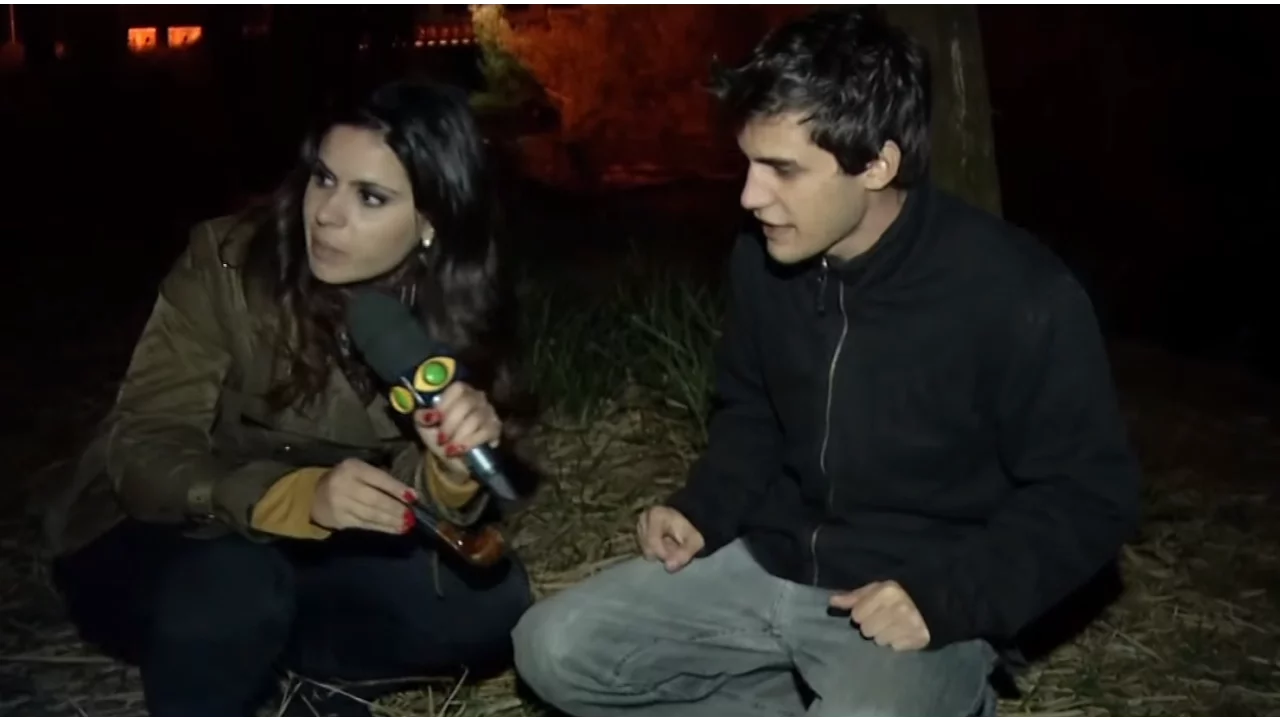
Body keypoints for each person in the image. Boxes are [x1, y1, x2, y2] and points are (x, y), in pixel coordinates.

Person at [511, 5, 1141, 717]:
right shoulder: (763, 259)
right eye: (749, 163)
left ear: (877, 164)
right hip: (770, 562)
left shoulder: (1017, 293)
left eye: (782, 169)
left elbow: (1091, 495)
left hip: (911, 596)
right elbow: (751, 411)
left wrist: (947, 597)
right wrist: (705, 508)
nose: (750, 197)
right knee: (552, 648)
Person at [40, 79, 536, 717]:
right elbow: (144, 449)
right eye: (323, 179)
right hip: (166, 535)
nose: (326, 214)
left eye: (370, 197)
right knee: (236, 584)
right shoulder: (227, 265)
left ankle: (297, 672)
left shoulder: (448, 311)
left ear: (431, 223)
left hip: (307, 550)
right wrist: (293, 496)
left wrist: (448, 472)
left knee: (489, 604)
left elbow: (408, 488)